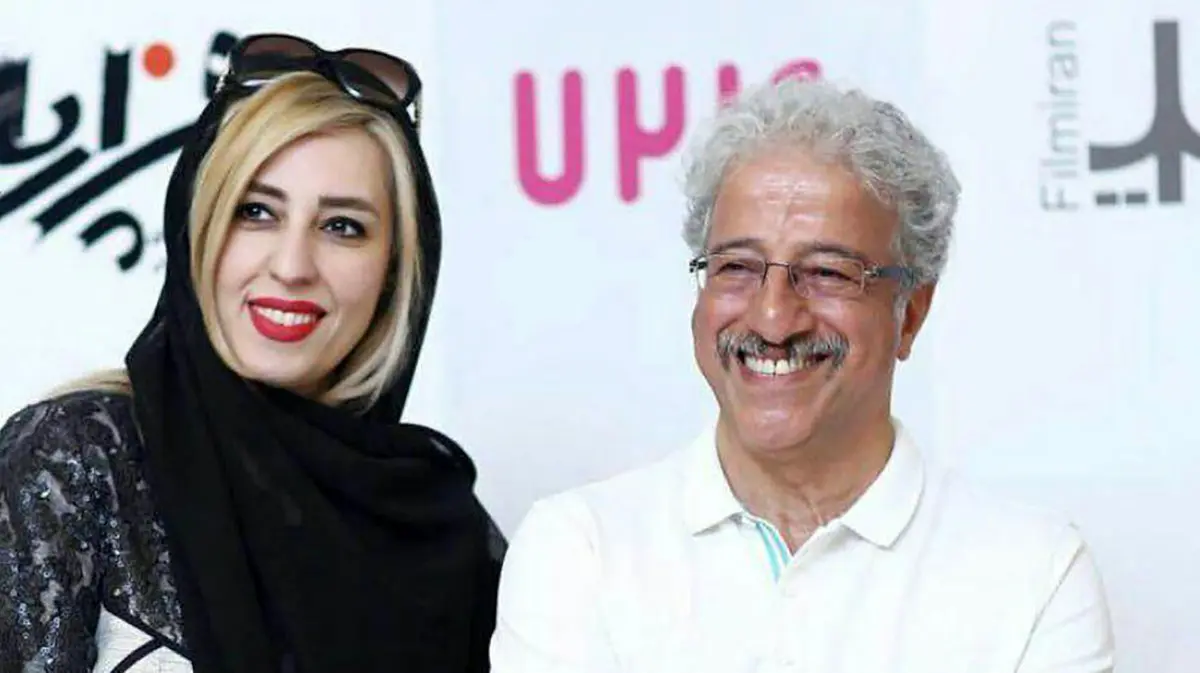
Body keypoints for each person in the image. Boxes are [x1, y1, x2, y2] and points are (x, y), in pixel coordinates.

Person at [489, 78, 1115, 673]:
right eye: (737, 267)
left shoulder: (1035, 573)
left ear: (910, 314)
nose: (773, 318)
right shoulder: (580, 549)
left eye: (827, 273)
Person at [0, 33, 503, 673]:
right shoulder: (77, 460)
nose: (292, 266)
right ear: (197, 227)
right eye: (256, 212)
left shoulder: (444, 531)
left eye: (342, 226)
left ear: (395, 270)